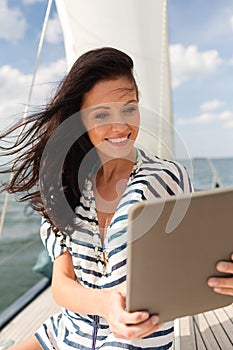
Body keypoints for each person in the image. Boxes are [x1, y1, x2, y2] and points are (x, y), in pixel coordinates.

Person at [0, 47, 232, 350]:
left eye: (129, 108)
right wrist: (105, 303)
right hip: (66, 333)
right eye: (101, 114)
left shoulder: (165, 179)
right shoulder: (68, 185)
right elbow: (62, 283)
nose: (120, 125)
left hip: (133, 341)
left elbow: (200, 251)